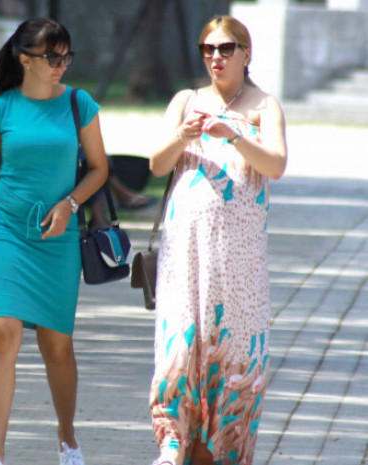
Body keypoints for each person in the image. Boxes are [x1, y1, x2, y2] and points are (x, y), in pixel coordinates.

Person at [0, 18, 108, 465]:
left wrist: (70, 205)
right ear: (25, 60)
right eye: (51, 57)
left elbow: (99, 168)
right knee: (3, 332)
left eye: (66, 56)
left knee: (57, 345)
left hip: (58, 237)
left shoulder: (79, 104)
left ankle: (67, 437)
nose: (61, 65)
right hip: (6, 232)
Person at [146, 15, 287, 465]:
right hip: (185, 251)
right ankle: (171, 443)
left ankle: (218, 452)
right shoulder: (186, 101)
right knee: (180, 347)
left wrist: (234, 135)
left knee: (232, 356)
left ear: (246, 54)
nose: (216, 57)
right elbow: (157, 165)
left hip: (238, 259)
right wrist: (183, 134)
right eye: (208, 49)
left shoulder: (264, 106)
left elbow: (276, 165)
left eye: (226, 48)